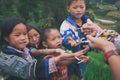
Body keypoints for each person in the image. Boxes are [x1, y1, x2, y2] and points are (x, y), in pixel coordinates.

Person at [0, 17, 86, 80]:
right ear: (6, 38)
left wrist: (74, 57)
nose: (23, 38)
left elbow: (36, 52)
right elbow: (28, 69)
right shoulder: (5, 59)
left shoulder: (25, 50)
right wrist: (57, 58)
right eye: (17, 35)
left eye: (25, 34)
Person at [60, 0, 102, 79]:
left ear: (85, 7)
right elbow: (65, 35)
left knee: (81, 73)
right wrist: (69, 40)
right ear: (68, 9)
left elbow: (94, 35)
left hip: (83, 54)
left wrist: (89, 46)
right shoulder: (66, 24)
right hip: (70, 55)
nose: (79, 10)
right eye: (75, 7)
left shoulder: (88, 22)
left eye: (81, 7)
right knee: (69, 74)